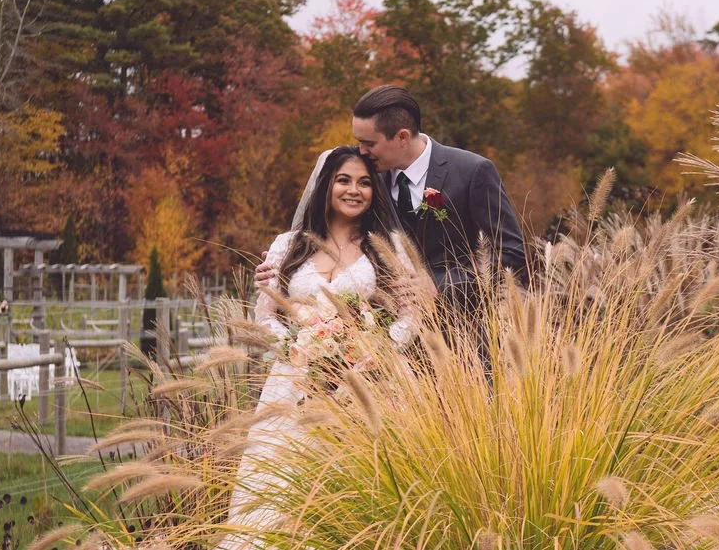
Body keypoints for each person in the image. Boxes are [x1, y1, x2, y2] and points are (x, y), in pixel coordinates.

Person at [220, 146, 411, 550]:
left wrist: (374, 350)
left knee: (358, 483)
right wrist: (299, 346)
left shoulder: (386, 245)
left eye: (364, 182)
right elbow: (265, 317)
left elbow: (413, 315)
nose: (354, 190)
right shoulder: (287, 245)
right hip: (294, 381)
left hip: (369, 382)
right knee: (281, 481)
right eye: (344, 180)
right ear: (326, 184)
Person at [258, 84, 528, 305]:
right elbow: (331, 233)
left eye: (369, 143)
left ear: (401, 137)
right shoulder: (365, 176)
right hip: (380, 341)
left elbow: (513, 257)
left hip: (459, 344)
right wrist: (287, 264)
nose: (361, 151)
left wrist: (440, 285)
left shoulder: (472, 172)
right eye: (358, 142)